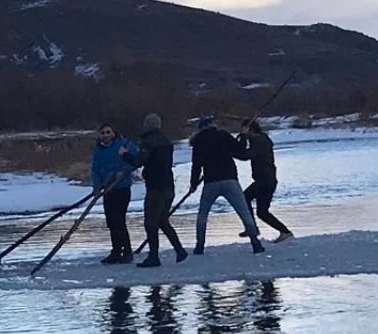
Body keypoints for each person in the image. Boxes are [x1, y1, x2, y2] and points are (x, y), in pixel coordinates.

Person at [119, 112, 188, 268]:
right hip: (169, 186)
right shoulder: (167, 142)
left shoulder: (148, 142)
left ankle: (154, 256)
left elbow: (139, 161)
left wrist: (125, 155)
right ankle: (179, 250)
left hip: (155, 188)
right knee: (162, 221)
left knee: (150, 223)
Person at [189, 116, 264, 255]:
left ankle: (199, 246)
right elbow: (240, 151)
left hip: (210, 181)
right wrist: (243, 138)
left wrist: (193, 184)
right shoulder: (223, 135)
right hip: (230, 179)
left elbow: (196, 166)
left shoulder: (198, 142)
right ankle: (255, 243)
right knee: (243, 212)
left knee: (203, 214)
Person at [236, 119, 294, 243]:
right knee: (261, 211)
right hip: (266, 179)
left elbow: (246, 155)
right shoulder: (260, 139)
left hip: (265, 181)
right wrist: (245, 138)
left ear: (250, 129)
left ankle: (254, 228)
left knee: (248, 200)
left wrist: (239, 143)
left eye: (244, 129)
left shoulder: (259, 142)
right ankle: (283, 232)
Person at [91, 121, 138, 264]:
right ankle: (116, 251)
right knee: (110, 221)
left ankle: (127, 252)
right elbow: (95, 168)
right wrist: (97, 187)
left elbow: (136, 159)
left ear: (113, 133)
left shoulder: (124, 144)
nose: (105, 135)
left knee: (119, 220)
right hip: (108, 189)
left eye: (108, 132)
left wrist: (124, 172)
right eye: (103, 133)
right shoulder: (98, 150)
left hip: (122, 188)